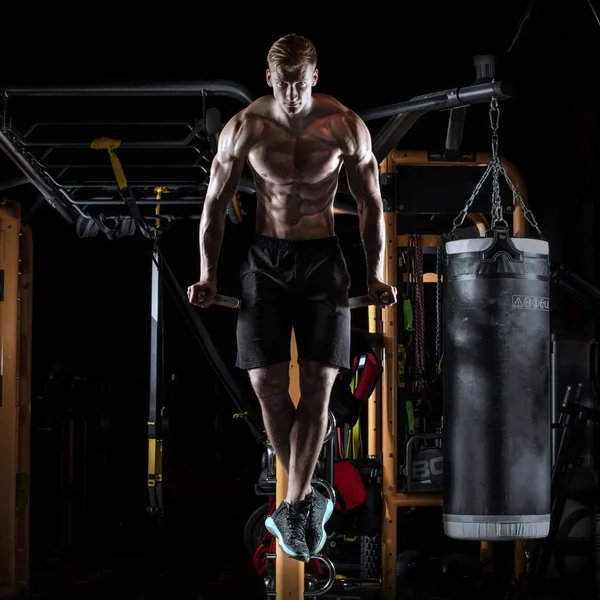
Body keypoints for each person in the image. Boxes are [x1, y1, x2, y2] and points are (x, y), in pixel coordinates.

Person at [187, 33, 397, 562]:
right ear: (268, 79)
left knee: (319, 391)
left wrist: (374, 275)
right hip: (265, 259)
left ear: (316, 77)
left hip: (324, 260)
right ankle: (302, 503)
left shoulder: (345, 126)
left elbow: (371, 204)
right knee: (266, 386)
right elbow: (214, 207)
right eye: (283, 83)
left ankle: (293, 503)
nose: (293, 92)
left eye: (300, 82)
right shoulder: (247, 128)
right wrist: (209, 275)